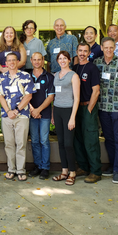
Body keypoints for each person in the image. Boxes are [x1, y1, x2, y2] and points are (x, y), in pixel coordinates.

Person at [94, 37, 118, 184]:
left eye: (111, 47)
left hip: (117, 108)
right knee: (108, 138)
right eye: (106, 47)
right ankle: (111, 165)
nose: (108, 50)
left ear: (114, 48)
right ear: (101, 48)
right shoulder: (97, 63)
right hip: (102, 108)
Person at [0, 53, 34, 182]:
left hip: (22, 115)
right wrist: (8, 111)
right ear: (6, 62)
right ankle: (11, 169)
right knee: (9, 144)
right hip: (6, 116)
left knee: (21, 143)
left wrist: (16, 111)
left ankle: (21, 170)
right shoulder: (1, 77)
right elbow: (0, 96)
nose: (11, 62)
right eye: (9, 60)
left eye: (14, 60)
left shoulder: (26, 76)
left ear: (18, 61)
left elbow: (28, 96)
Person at [72, 44, 102, 183]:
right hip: (76, 108)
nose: (82, 53)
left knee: (90, 140)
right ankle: (83, 167)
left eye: (85, 51)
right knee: (78, 140)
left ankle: (95, 171)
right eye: (80, 51)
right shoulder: (75, 68)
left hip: (87, 107)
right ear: (77, 52)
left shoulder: (92, 68)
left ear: (89, 53)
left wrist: (90, 108)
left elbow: (96, 90)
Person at [51, 51, 80, 186]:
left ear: (69, 60)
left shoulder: (73, 76)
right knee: (61, 143)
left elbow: (77, 98)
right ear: (57, 61)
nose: (62, 61)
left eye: (65, 58)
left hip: (69, 111)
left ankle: (72, 172)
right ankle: (64, 171)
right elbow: (54, 96)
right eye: (60, 59)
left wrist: (72, 117)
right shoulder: (56, 75)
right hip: (57, 110)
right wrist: (52, 114)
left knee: (68, 144)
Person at [28, 52, 54, 180]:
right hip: (31, 114)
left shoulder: (49, 77)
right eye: (35, 59)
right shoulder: (27, 77)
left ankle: (45, 168)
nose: (37, 62)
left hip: (44, 114)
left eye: (39, 59)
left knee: (44, 141)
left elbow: (50, 97)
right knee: (35, 141)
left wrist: (38, 110)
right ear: (31, 60)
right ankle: (38, 166)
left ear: (43, 60)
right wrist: (33, 110)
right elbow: (24, 95)